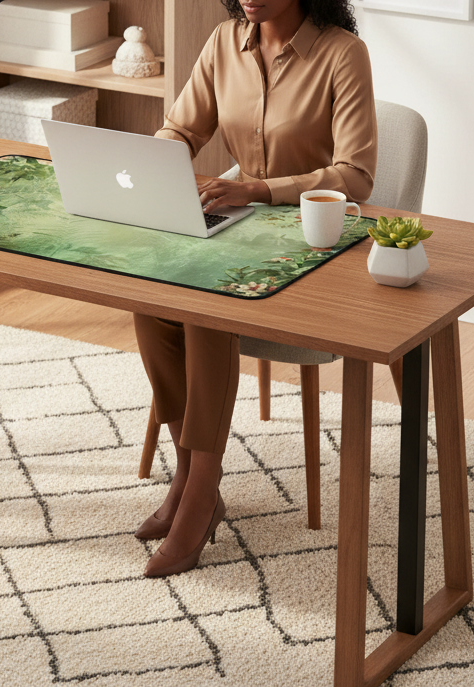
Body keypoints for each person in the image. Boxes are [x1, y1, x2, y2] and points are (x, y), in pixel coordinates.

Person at [133, 0, 377, 578]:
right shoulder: (225, 41)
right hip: (241, 225)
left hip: (314, 234)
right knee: (153, 298)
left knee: (206, 306)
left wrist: (260, 189)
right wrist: (148, 165)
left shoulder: (344, 55)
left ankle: (199, 494)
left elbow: (357, 174)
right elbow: (182, 128)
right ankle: (192, 477)